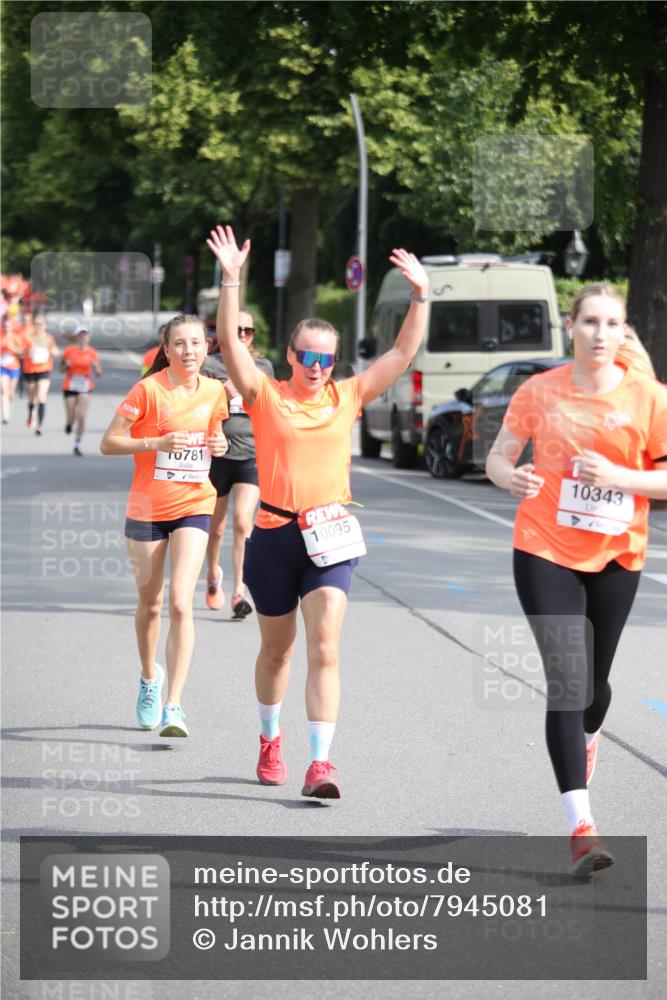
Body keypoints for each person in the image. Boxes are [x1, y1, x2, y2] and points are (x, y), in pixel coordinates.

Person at [206, 224, 429, 799]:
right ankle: (269, 738)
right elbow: (231, 347)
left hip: (327, 537)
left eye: (325, 358)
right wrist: (231, 279)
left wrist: (421, 295)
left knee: (326, 644)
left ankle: (321, 764)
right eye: (306, 355)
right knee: (277, 651)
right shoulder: (265, 394)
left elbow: (402, 353)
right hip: (273, 535)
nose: (316, 366)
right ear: (289, 355)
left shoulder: (347, 396)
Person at [485, 284, 667, 876]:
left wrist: (619, 475)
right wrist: (508, 477)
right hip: (544, 547)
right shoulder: (540, 389)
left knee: (595, 687)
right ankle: (582, 826)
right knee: (567, 681)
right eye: (589, 321)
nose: (599, 332)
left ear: (622, 333)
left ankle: (590, 738)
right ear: (572, 326)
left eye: (610, 323)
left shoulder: (649, 398)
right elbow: (498, 455)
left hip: (618, 554)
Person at [100, 314, 229, 738]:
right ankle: (148, 679)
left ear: (207, 347)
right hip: (147, 509)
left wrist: (220, 442)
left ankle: (174, 705)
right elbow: (108, 442)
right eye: (180, 344)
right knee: (152, 604)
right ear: (167, 348)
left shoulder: (214, 391)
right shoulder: (148, 390)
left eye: (196, 343)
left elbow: (216, 436)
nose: (189, 351)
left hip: (195, 502)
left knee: (179, 603)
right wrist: (153, 442)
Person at [201, 308, 274, 617]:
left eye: (248, 331)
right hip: (217, 454)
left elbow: (270, 406)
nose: (242, 335)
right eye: (237, 330)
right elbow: (195, 405)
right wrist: (221, 390)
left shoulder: (262, 366)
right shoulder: (209, 365)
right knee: (216, 529)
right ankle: (213, 573)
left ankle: (238, 592)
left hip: (251, 453)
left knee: (244, 521)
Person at [61, 325, 102, 455]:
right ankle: (69, 424)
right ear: (77, 337)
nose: (83, 337)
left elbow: (99, 373)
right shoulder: (69, 351)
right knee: (71, 417)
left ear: (88, 337)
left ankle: (77, 443)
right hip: (70, 384)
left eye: (85, 335)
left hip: (85, 384)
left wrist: (95, 368)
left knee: (82, 416)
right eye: (81, 335)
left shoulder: (92, 352)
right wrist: (66, 365)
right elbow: (61, 370)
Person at [22, 314, 59, 435]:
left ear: (45, 325)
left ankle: (39, 426)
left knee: (41, 397)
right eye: (37, 324)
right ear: (34, 325)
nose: (39, 326)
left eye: (41, 324)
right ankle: (30, 413)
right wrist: (28, 351)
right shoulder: (29, 338)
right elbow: (21, 352)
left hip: (44, 369)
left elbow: (55, 351)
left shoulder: (49, 338)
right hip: (30, 370)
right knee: (32, 398)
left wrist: (53, 352)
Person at [0, 314, 29, 425]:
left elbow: (22, 353)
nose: (7, 328)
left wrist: (13, 349)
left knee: (11, 393)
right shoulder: (1, 338)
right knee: (4, 391)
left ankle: (9, 404)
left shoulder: (16, 338)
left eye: (9, 326)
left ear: (11, 327)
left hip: (14, 367)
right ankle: (5, 416)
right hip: (3, 367)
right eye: (5, 326)